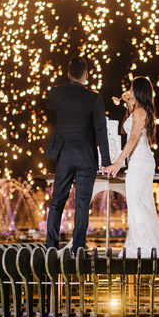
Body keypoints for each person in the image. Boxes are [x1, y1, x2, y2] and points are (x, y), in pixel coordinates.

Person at [106, 77, 159, 258]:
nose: (129, 90)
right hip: (140, 161)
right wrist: (126, 100)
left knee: (138, 203)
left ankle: (143, 246)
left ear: (138, 91)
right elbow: (129, 128)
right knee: (139, 203)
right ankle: (142, 244)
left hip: (139, 161)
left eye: (132, 88)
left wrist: (117, 162)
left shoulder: (140, 112)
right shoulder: (139, 110)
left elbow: (132, 138)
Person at [45, 56, 111, 255]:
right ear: (87, 75)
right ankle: (78, 247)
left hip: (64, 155)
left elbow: (49, 104)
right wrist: (106, 161)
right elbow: (101, 129)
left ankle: (50, 246)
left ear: (68, 74)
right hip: (86, 157)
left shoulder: (56, 93)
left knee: (57, 200)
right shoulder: (94, 97)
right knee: (82, 203)